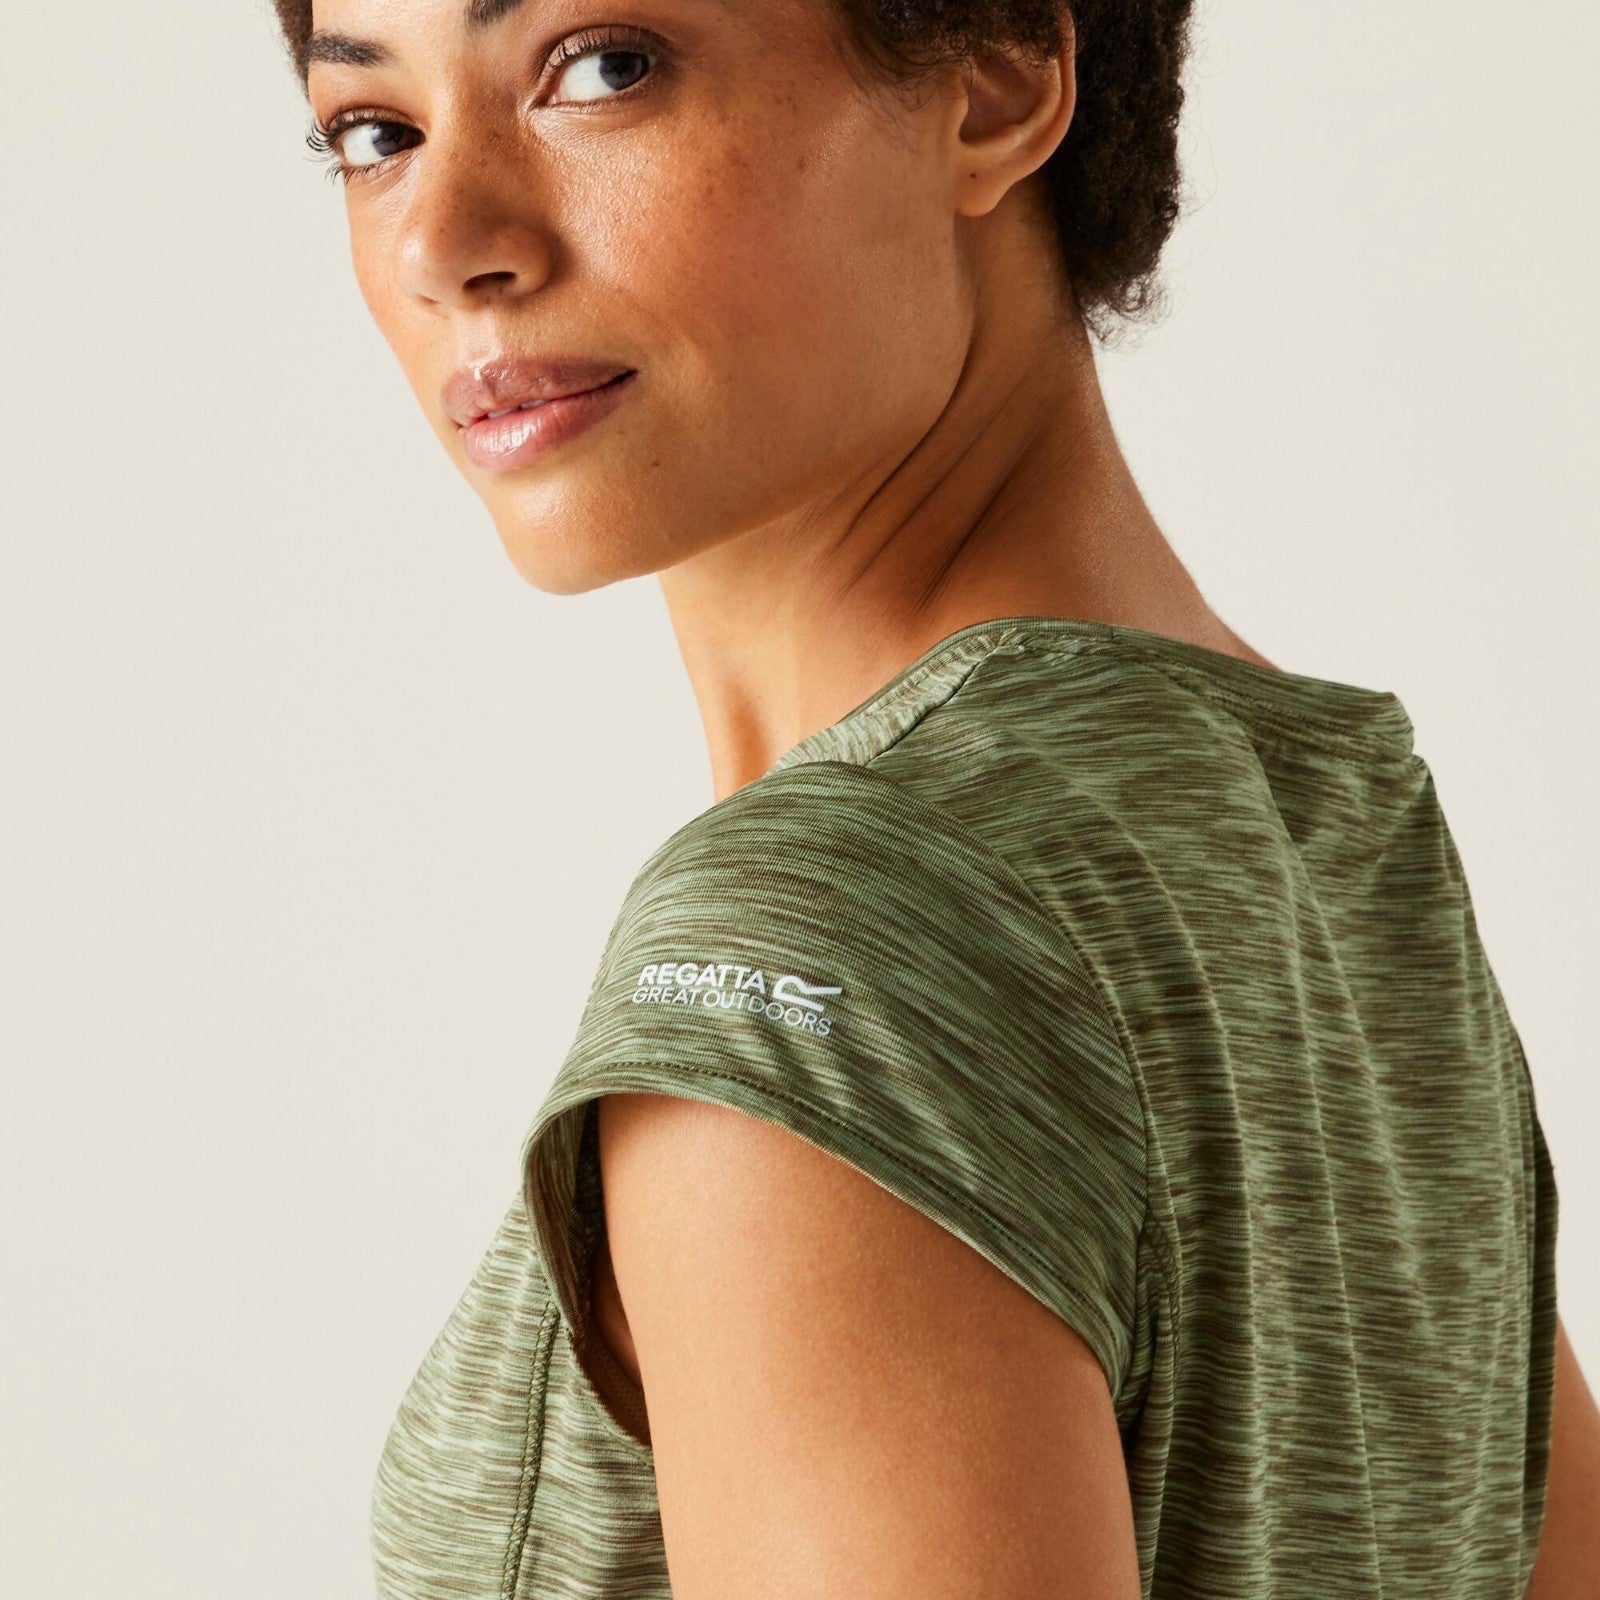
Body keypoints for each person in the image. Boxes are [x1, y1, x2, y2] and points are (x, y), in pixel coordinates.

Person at [271, 0, 1596, 1594]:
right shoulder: (1331, 833)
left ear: (998, 78)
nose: (445, 243)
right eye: (377, 133)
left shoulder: (817, 947)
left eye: (604, 68)